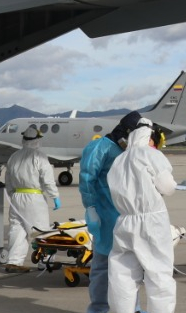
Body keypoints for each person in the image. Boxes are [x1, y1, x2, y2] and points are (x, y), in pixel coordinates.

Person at [108, 119, 178, 313]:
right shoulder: (152, 155)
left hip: (124, 220)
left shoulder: (119, 159)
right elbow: (168, 186)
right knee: (159, 275)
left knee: (122, 275)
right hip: (151, 220)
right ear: (151, 137)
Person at [80, 110, 143, 313]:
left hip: (127, 215)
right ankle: (99, 307)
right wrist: (90, 208)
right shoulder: (101, 147)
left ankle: (133, 307)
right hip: (106, 215)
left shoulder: (130, 151)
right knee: (103, 266)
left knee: (130, 265)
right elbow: (87, 178)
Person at [3, 125, 61, 271]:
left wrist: (13, 194)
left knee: (17, 229)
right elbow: (48, 180)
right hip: (34, 197)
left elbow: (8, 180)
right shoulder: (40, 156)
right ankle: (45, 261)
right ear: (37, 140)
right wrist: (55, 196)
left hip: (16, 197)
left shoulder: (14, 156)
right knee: (41, 230)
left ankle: (14, 261)